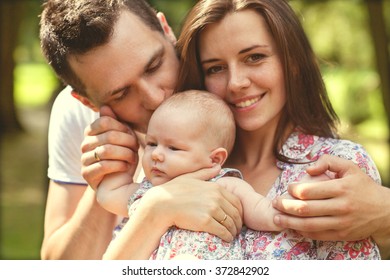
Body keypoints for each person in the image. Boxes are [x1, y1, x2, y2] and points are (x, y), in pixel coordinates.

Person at [102, 0, 382, 259]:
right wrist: (156, 210)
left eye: (254, 57)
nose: (236, 83)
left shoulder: (333, 169)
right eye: (215, 68)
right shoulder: (171, 164)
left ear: (292, 62)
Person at [39, 0, 242, 260]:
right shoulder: (77, 115)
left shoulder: (223, 81)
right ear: (87, 102)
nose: (156, 99)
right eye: (122, 93)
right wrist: (106, 178)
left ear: (166, 30)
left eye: (154, 66)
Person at [97, 90, 290, 259]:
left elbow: (257, 209)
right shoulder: (148, 191)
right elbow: (109, 195)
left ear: (214, 159)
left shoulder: (221, 184)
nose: (156, 154)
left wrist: (283, 215)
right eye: (152, 143)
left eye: (173, 148)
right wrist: (114, 152)